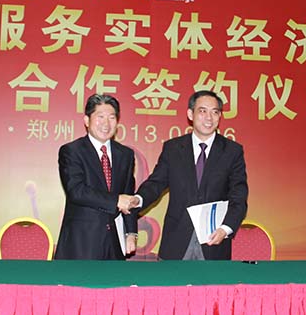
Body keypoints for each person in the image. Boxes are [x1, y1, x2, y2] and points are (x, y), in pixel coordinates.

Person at [134, 90, 248, 260]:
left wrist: (226, 228)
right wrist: (138, 199)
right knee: (171, 279)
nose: (209, 118)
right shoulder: (173, 148)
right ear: (190, 114)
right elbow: (156, 183)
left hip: (214, 242)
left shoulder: (232, 151)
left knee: (212, 280)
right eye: (202, 111)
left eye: (215, 112)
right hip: (177, 241)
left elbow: (239, 196)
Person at [54, 93, 138, 260]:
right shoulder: (72, 151)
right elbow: (77, 191)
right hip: (81, 242)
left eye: (112, 118)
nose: (106, 123)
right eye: (100, 117)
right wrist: (115, 200)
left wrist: (131, 233)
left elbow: (128, 196)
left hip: (114, 243)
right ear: (87, 120)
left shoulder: (125, 154)